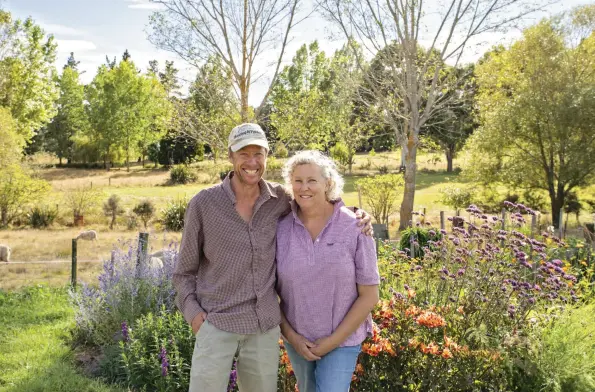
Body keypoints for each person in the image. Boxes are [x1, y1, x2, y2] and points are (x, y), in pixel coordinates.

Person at [173, 123, 372, 392]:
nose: (252, 162)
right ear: (230, 156)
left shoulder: (279, 199)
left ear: (267, 156)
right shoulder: (204, 204)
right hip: (217, 322)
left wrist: (356, 214)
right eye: (244, 154)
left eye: (259, 154)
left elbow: (318, 199)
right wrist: (195, 316)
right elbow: (183, 272)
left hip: (263, 327)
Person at [276, 150, 380, 392]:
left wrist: (331, 342)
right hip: (298, 341)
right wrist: (292, 337)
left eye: (312, 180)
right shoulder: (281, 229)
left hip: (342, 340)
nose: (305, 187)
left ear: (328, 183)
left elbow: (370, 295)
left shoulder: (355, 226)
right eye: (298, 181)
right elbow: (269, 292)